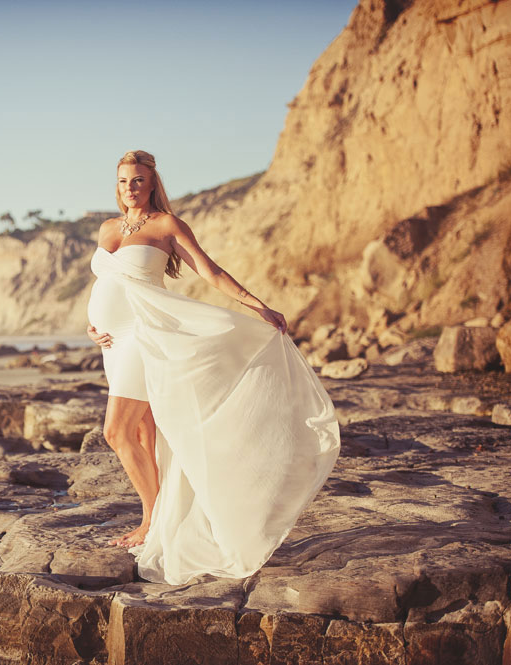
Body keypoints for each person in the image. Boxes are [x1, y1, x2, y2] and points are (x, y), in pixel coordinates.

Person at [85, 150, 340, 583]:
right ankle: (161, 518)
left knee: (116, 432)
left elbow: (210, 272)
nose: (132, 187)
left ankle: (149, 521)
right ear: (118, 185)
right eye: (125, 180)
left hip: (146, 336)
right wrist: (92, 326)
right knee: (147, 433)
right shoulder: (108, 229)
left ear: (152, 184)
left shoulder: (167, 226)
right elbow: (107, 283)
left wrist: (258, 306)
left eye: (139, 179)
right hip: (112, 343)